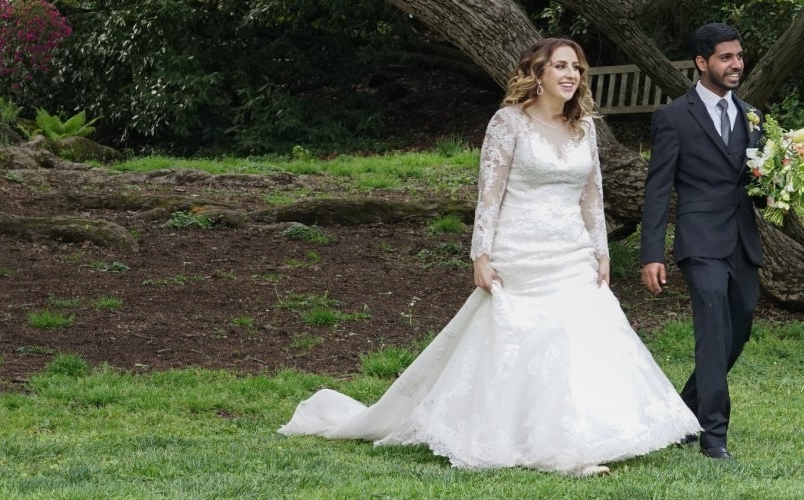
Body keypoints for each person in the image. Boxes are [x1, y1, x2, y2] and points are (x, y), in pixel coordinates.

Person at [279, 38, 699, 477]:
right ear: (538, 75)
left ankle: (583, 436)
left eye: (577, 67)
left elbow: (592, 196)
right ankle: (550, 447)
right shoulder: (507, 123)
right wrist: (480, 253)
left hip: (572, 251)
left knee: (581, 338)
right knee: (538, 338)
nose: (572, 74)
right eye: (561, 66)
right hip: (519, 251)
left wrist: (601, 251)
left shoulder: (585, 127)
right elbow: (490, 194)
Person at [638, 23, 766, 461]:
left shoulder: (753, 115)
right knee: (712, 331)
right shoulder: (673, 117)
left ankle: (682, 410)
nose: (737, 65)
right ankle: (714, 435)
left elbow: (756, 185)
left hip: (743, 241)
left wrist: (784, 181)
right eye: (726, 57)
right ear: (702, 63)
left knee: (740, 326)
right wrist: (651, 253)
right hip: (699, 241)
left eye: (739, 56)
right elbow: (658, 190)